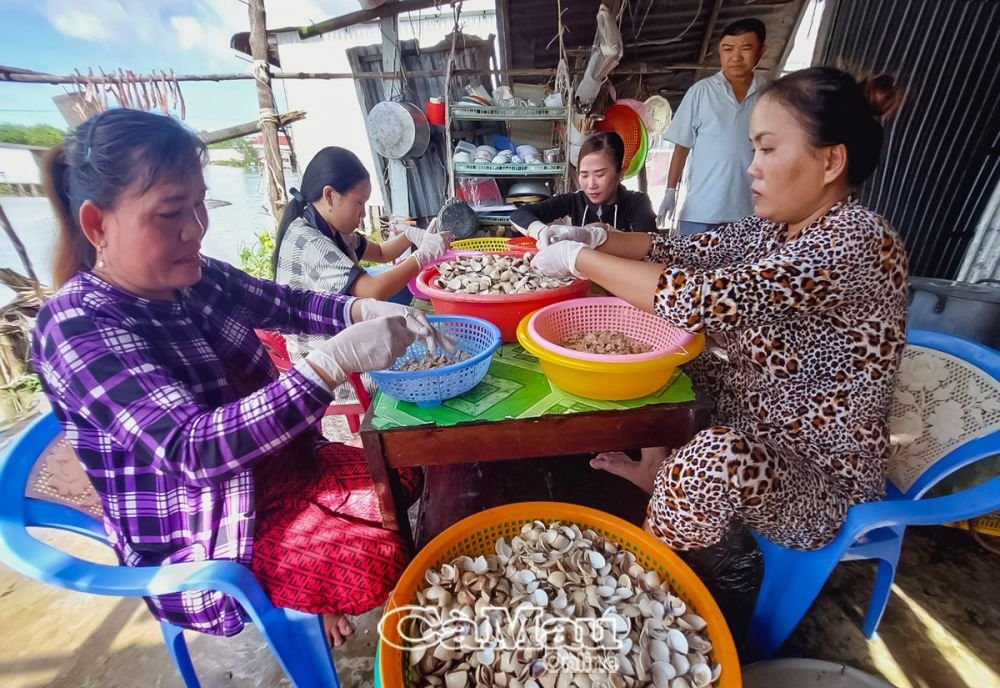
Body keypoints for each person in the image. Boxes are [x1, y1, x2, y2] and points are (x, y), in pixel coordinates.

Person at [32, 109, 450, 647]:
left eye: (201, 204)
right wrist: (329, 364)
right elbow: (192, 448)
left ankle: (308, 590)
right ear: (97, 226)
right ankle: (301, 596)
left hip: (282, 465)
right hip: (212, 528)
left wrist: (356, 315)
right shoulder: (78, 324)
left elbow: (286, 302)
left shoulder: (194, 275)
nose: (194, 229)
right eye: (169, 214)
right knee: (378, 559)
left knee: (407, 469)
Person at [530, 67, 906, 552]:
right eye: (755, 149)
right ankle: (653, 469)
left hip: (821, 479)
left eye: (768, 149)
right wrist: (595, 236)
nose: (752, 166)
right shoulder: (773, 229)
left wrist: (579, 259)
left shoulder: (858, 239)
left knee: (712, 458)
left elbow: (701, 298)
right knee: (649, 356)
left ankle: (650, 572)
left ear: (831, 160)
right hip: (756, 419)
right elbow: (681, 250)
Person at [273, 146, 452, 360]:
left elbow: (381, 252)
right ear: (330, 196)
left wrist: (411, 236)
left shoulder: (333, 229)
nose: (363, 213)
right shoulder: (312, 243)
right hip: (321, 360)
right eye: (359, 202)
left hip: (340, 339)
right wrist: (422, 256)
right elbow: (373, 291)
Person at [658, 18, 767, 235]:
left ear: (761, 50)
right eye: (728, 49)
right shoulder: (701, 92)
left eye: (746, 48)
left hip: (750, 214)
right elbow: (681, 147)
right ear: (719, 51)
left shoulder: (770, 94)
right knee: (691, 268)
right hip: (700, 211)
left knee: (742, 270)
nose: (735, 57)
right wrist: (670, 192)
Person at [511, 131, 656, 245]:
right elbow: (519, 215)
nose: (591, 184)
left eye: (599, 175)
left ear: (620, 173)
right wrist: (542, 231)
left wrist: (606, 232)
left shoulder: (637, 204)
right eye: (584, 175)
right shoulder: (573, 201)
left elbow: (650, 247)